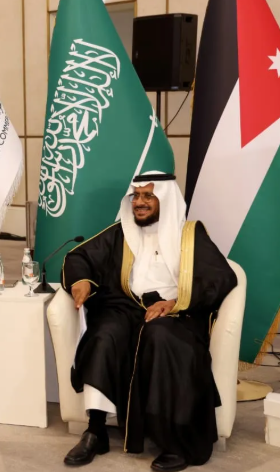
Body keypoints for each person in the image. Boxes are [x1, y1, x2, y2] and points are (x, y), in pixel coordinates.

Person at [61, 172, 237, 472]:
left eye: (148, 196)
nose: (139, 203)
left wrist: (175, 303)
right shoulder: (121, 232)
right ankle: (96, 431)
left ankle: (174, 440)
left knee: (160, 337)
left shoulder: (191, 235)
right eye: (136, 196)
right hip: (127, 307)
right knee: (104, 334)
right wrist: (82, 281)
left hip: (177, 313)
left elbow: (220, 278)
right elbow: (80, 257)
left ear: (165, 199)